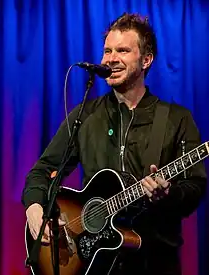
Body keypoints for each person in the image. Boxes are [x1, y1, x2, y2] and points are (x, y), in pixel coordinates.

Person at [22, 12, 207, 275]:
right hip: (93, 265)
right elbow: (43, 171)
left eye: (122, 50)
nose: (111, 59)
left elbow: (195, 187)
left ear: (146, 60)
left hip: (154, 261)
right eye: (107, 51)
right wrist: (34, 206)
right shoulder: (85, 115)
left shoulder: (176, 119)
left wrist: (168, 194)